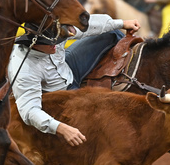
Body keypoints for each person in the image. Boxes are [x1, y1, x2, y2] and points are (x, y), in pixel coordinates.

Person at [8, 15, 140, 146]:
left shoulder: (55, 32)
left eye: (58, 39)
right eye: (51, 42)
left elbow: (86, 26)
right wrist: (61, 128)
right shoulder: (23, 69)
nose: (56, 44)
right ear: (34, 43)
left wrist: (122, 23)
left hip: (68, 66)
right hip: (59, 94)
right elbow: (29, 110)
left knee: (111, 33)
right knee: (98, 124)